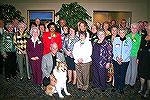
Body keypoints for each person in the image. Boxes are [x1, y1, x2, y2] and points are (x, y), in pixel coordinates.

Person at [112, 29, 132, 94]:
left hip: (125, 61)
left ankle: (121, 88)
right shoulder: (116, 39)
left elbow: (129, 51)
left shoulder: (128, 40)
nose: (122, 34)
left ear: (125, 33)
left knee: (122, 74)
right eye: (120, 32)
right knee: (116, 74)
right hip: (116, 60)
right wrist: (117, 58)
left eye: (123, 32)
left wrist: (122, 59)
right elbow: (114, 50)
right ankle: (115, 87)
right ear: (118, 33)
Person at [125, 23, 141, 88]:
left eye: (135, 28)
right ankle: (127, 81)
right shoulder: (127, 36)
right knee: (128, 68)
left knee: (134, 69)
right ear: (131, 28)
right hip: (128, 55)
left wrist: (138, 57)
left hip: (135, 55)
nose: (134, 29)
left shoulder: (139, 37)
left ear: (137, 29)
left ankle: (132, 83)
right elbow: (125, 45)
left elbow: (140, 48)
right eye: (132, 27)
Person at [137, 23, 150, 98]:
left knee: (148, 76)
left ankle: (148, 91)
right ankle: (141, 88)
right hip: (142, 58)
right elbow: (140, 47)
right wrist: (138, 57)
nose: (148, 30)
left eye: (149, 29)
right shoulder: (144, 36)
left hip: (149, 60)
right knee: (141, 73)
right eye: (147, 28)